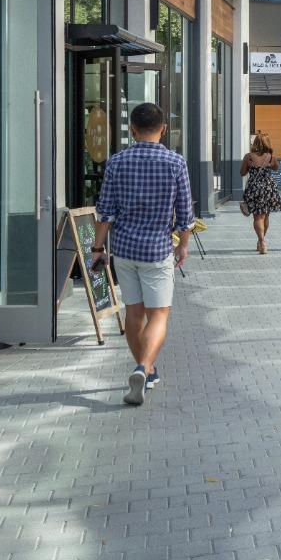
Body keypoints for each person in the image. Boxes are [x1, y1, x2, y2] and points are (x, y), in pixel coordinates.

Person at [92, 102, 193, 406]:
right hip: (157, 249)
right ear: (163, 130)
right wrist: (183, 244)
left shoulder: (117, 162)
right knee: (159, 315)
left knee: (133, 313)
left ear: (132, 130)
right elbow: (186, 213)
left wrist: (97, 248)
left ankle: (147, 370)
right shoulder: (175, 162)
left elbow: (105, 211)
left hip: (124, 249)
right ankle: (142, 367)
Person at [240, 132, 281, 254]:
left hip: (254, 188)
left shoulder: (248, 157)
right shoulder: (271, 157)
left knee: (257, 217)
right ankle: (261, 241)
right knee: (265, 215)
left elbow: (242, 173)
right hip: (268, 188)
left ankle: (262, 241)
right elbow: (276, 168)